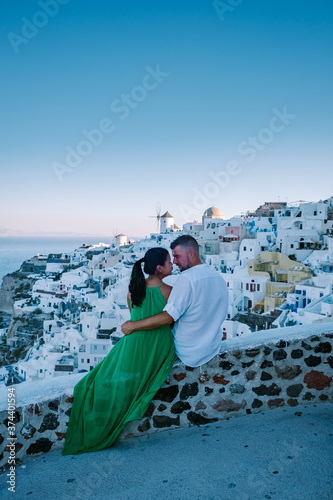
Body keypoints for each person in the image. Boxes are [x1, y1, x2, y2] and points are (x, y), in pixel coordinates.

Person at [62, 247, 176, 455]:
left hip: (133, 345)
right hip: (158, 345)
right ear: (159, 268)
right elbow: (170, 320)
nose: (172, 264)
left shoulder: (133, 291)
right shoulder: (168, 291)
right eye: (169, 261)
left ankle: (98, 426)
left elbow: (133, 315)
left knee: (99, 382)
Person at [121, 235, 228, 367]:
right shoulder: (217, 277)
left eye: (177, 256)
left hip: (187, 352)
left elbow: (168, 318)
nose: (175, 262)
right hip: (212, 348)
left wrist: (132, 325)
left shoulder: (187, 279)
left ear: (192, 253)